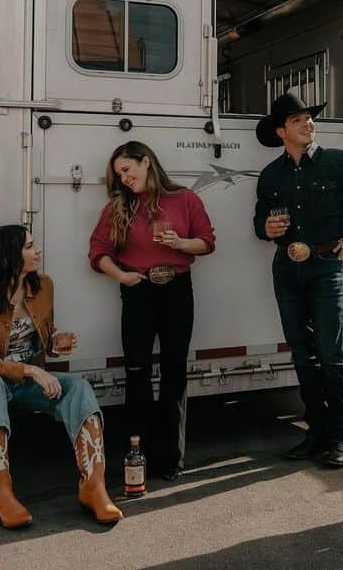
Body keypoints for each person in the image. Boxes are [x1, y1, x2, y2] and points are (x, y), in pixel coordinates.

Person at [252, 93, 343, 468]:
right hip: (286, 268)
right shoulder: (270, 175)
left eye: (309, 118)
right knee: (302, 354)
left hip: (328, 267)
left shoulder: (338, 162)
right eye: (297, 120)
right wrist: (267, 227)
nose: (308, 123)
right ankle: (317, 433)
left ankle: (341, 437)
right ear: (281, 131)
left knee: (332, 355)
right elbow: (259, 224)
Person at [0, 225, 122, 528]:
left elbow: (42, 339)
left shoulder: (44, 287)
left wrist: (56, 342)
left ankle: (93, 486)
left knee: (78, 388)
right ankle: (2, 492)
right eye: (29, 247)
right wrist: (31, 370)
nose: (37, 251)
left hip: (28, 384)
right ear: (8, 256)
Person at [88, 141, 216, 481]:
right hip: (137, 291)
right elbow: (97, 251)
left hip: (176, 290)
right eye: (119, 175)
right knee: (137, 373)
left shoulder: (185, 199)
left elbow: (207, 241)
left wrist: (180, 244)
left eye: (127, 170)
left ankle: (170, 460)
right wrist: (122, 276)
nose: (124, 178)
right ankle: (137, 455)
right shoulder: (118, 206)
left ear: (146, 162)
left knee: (174, 372)